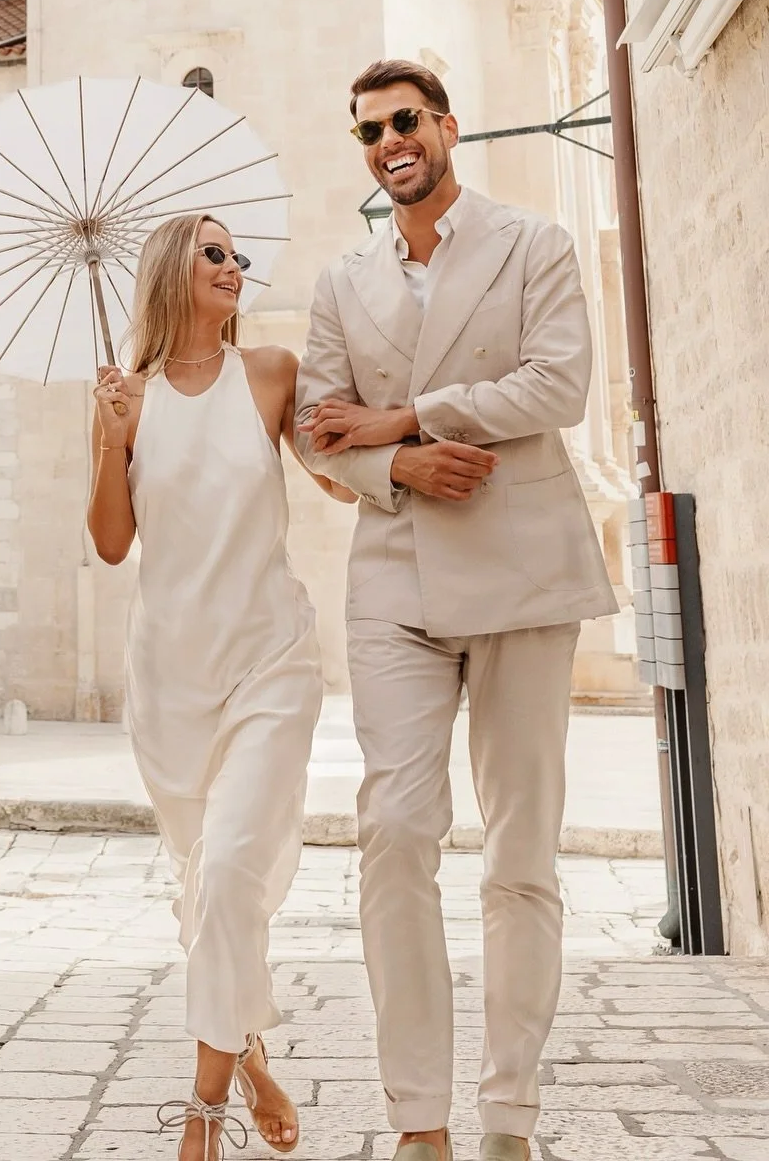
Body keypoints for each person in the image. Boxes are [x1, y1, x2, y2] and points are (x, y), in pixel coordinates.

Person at [295, 60, 618, 1161]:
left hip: (524, 566)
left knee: (521, 850)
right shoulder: (343, 281)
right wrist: (401, 469)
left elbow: (559, 384)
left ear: (446, 129)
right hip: (394, 573)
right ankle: (418, 1121)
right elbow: (313, 427)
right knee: (392, 831)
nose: (388, 141)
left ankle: (508, 1118)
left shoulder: (534, 245)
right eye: (369, 131)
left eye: (404, 122)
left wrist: (405, 419)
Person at [89, 212, 354, 1161]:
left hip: (270, 659)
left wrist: (374, 451)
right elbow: (113, 543)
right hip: (171, 677)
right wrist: (114, 440)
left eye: (238, 255)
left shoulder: (272, 373)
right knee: (209, 891)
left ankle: (200, 1118)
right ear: (173, 271)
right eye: (214, 254)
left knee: (234, 867)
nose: (235, 266)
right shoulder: (128, 396)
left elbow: (336, 475)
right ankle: (248, 1058)